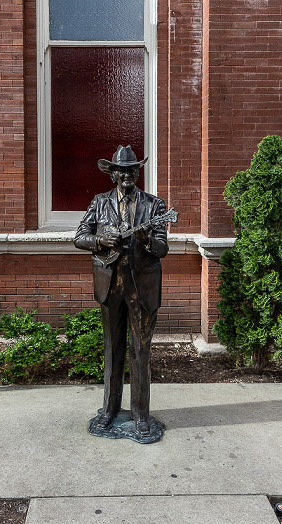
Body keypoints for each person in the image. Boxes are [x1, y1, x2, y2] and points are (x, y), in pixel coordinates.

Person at [74, 145, 169, 438]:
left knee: (141, 351)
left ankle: (141, 414)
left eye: (132, 170)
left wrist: (147, 240)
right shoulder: (99, 202)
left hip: (142, 286)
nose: (127, 175)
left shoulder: (155, 206)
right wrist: (100, 239)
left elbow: (163, 248)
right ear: (113, 173)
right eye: (121, 170)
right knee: (112, 348)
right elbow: (79, 237)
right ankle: (109, 409)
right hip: (110, 284)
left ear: (137, 172)